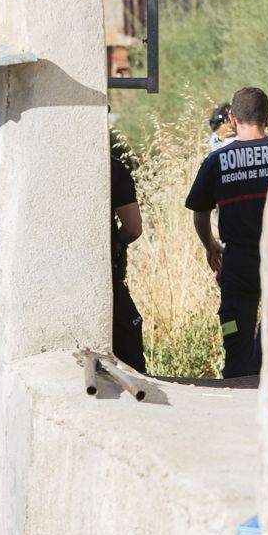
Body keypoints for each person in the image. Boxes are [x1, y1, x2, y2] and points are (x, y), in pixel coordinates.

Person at [185, 87, 268, 378]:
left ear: (233, 120)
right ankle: (266, 374)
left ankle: (239, 378)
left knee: (234, 328)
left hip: (238, 262)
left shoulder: (217, 162)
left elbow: (200, 213)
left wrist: (210, 246)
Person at [110, 154, 146, 373]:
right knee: (128, 330)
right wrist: (115, 242)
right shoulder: (111, 167)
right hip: (107, 275)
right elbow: (133, 227)